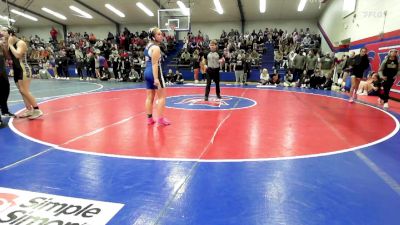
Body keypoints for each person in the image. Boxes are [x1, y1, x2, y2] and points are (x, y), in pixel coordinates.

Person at [1, 27, 43, 119]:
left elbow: (18, 55)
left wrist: (11, 45)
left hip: (23, 69)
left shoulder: (20, 43)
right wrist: (5, 46)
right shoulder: (9, 43)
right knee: (21, 91)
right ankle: (29, 109)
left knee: (25, 90)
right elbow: (9, 57)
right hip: (16, 69)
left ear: (11, 33)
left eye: (4, 31)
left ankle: (37, 109)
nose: (2, 32)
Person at [144, 27, 170, 126]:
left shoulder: (148, 46)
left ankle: (149, 119)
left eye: (161, 34)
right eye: (158, 34)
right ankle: (160, 119)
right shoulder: (156, 48)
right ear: (153, 37)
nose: (161, 36)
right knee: (162, 97)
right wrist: (156, 78)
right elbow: (155, 64)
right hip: (155, 72)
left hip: (147, 71)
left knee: (149, 97)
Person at [0, 32, 15, 118]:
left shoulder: (2, 48)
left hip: (3, 73)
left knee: (5, 90)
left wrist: (3, 45)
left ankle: (4, 111)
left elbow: (7, 56)